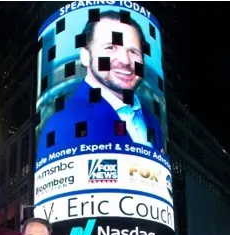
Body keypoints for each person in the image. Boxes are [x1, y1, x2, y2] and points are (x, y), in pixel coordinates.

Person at [36, 11, 164, 164]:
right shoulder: (62, 122)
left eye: (133, 51)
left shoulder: (152, 121)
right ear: (85, 56)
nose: (125, 60)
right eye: (110, 48)